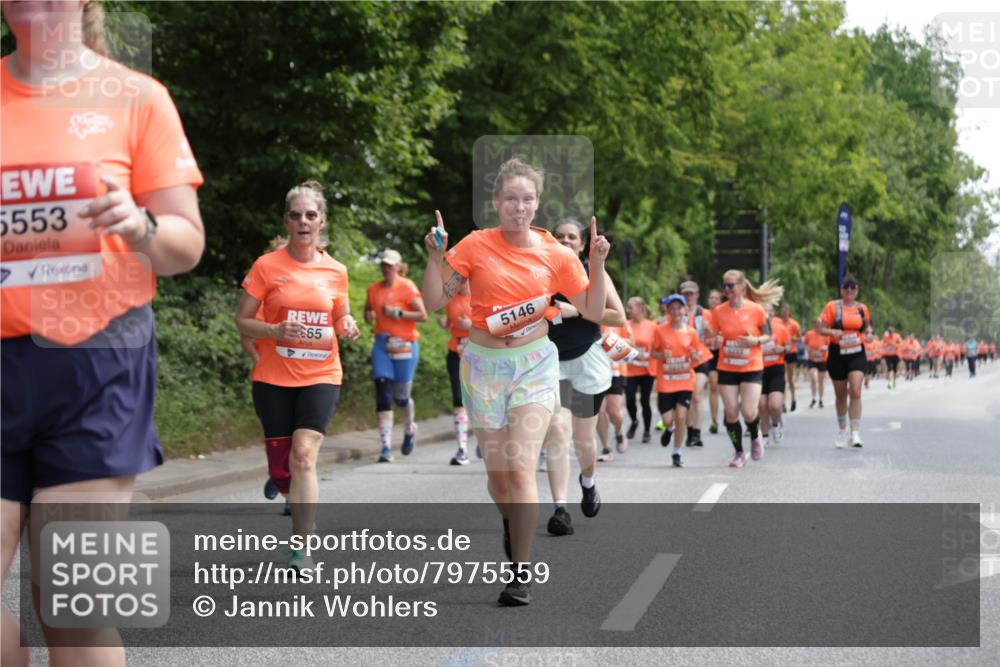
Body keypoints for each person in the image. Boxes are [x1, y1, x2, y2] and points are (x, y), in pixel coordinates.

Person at [1, 3, 204, 664]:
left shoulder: (138, 98)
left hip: (98, 366)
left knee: (74, 604)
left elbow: (185, 244)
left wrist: (140, 225)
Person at [421, 157, 610, 606]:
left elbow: (594, 310)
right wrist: (432, 257)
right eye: (510, 199)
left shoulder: (556, 254)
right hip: (484, 365)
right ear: (496, 202)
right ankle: (513, 523)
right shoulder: (473, 246)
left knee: (523, 467)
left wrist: (597, 263)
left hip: (533, 364)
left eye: (527, 199)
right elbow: (432, 301)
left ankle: (520, 571)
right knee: (500, 479)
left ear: (537, 203)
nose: (519, 207)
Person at [236, 180, 360, 569]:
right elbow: (242, 320)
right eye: (296, 215)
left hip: (322, 373)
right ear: (286, 221)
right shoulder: (267, 266)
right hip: (273, 376)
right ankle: (282, 479)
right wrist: (272, 331)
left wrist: (348, 323)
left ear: (321, 221)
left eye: (311, 215)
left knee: (304, 455)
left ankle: (301, 547)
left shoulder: (336, 271)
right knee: (284, 465)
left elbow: (340, 313)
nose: (303, 221)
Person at [540, 219, 625, 537]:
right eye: (558, 236)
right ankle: (560, 509)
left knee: (584, 441)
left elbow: (618, 316)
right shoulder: (539, 274)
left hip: (587, 360)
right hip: (550, 361)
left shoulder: (593, 273)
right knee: (557, 433)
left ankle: (588, 483)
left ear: (581, 243)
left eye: (571, 236)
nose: (564, 240)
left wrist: (578, 309)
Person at [705, 270, 783, 467]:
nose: (726, 289)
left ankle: (756, 435)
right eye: (724, 285)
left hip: (751, 366)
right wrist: (715, 339)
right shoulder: (719, 311)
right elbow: (711, 337)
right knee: (731, 412)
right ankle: (739, 452)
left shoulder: (756, 310)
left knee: (749, 411)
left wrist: (754, 340)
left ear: (741, 287)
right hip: (727, 366)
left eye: (730, 285)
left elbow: (768, 336)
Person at [364, 249, 428, 462]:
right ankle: (385, 448)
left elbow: (423, 315)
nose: (387, 269)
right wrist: (368, 314)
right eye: (384, 265)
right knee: (382, 393)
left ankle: (409, 428)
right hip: (382, 344)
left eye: (391, 265)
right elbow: (368, 310)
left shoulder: (407, 286)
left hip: (405, 345)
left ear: (399, 267)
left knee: (401, 398)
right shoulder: (373, 289)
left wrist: (399, 313)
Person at [651, 295, 710, 467]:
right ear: (668, 311)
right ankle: (669, 429)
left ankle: (677, 452)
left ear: (685, 310)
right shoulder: (660, 330)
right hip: (666, 382)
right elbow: (653, 353)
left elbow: (697, 355)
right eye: (672, 308)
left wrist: (694, 355)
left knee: (682, 415)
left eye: (679, 308)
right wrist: (662, 355)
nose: (676, 311)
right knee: (669, 419)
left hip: (685, 380)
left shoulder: (691, 332)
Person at [815, 275, 871, 448]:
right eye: (846, 287)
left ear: (857, 290)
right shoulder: (832, 307)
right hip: (837, 353)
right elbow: (818, 328)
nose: (849, 290)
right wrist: (832, 332)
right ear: (841, 289)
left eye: (853, 287)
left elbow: (867, 327)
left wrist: (868, 335)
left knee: (855, 390)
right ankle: (842, 430)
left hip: (856, 353)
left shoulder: (862, 308)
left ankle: (855, 433)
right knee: (841, 395)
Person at [437, 282, 473, 464]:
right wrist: (445, 323)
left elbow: (495, 326)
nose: (460, 282)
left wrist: (471, 325)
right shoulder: (450, 300)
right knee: (459, 400)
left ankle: (487, 436)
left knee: (481, 400)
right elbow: (450, 321)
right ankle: (462, 449)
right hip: (456, 352)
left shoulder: (482, 295)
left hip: (479, 354)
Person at [679, 281, 714, 448]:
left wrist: (710, 331)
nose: (689, 297)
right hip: (683, 360)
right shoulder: (677, 314)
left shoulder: (705, 314)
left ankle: (698, 432)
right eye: (685, 294)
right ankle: (690, 430)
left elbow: (715, 337)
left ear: (697, 295)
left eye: (691, 293)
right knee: (686, 398)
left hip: (701, 358)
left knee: (697, 395)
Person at [622, 297, 657, 443]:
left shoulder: (652, 326)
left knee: (644, 400)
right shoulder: (625, 325)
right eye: (628, 307)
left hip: (647, 369)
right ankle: (634, 421)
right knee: (630, 399)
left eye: (631, 308)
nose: (628, 310)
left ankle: (647, 430)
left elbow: (659, 345)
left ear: (641, 309)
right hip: (630, 369)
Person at [596, 323, 630, 459]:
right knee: (599, 410)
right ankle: (606, 448)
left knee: (614, 411)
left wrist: (613, 340)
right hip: (595, 372)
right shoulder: (588, 316)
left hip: (615, 371)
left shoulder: (617, 318)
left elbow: (630, 342)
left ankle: (619, 431)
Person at [759, 303, 789, 446]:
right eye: (764, 311)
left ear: (773, 313)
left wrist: (782, 348)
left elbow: (788, 346)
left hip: (776, 369)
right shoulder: (755, 329)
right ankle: (764, 435)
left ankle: (776, 424)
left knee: (775, 406)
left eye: (770, 311)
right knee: (762, 404)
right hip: (759, 370)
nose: (767, 314)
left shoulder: (781, 329)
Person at [777, 304, 801, 412]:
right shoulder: (777, 322)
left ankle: (793, 399)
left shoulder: (794, 324)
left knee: (790, 379)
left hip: (791, 352)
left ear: (790, 312)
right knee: (783, 378)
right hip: (781, 352)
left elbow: (800, 337)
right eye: (783, 310)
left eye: (787, 310)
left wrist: (791, 338)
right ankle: (783, 403)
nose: (785, 312)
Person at [706, 289, 723, 433]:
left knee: (725, 388)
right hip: (708, 353)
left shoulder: (724, 314)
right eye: (711, 298)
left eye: (716, 298)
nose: (713, 301)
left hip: (722, 353)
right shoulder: (704, 315)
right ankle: (714, 419)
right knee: (714, 386)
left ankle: (730, 413)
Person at [803, 328, 830, 407]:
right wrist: (809, 349)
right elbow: (805, 344)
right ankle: (814, 398)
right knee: (813, 378)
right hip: (812, 360)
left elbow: (830, 345)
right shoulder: (809, 334)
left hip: (822, 360)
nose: (819, 325)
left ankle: (821, 400)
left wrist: (824, 348)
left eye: (820, 324)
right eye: (817, 323)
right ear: (815, 324)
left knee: (821, 381)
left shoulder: (826, 333)